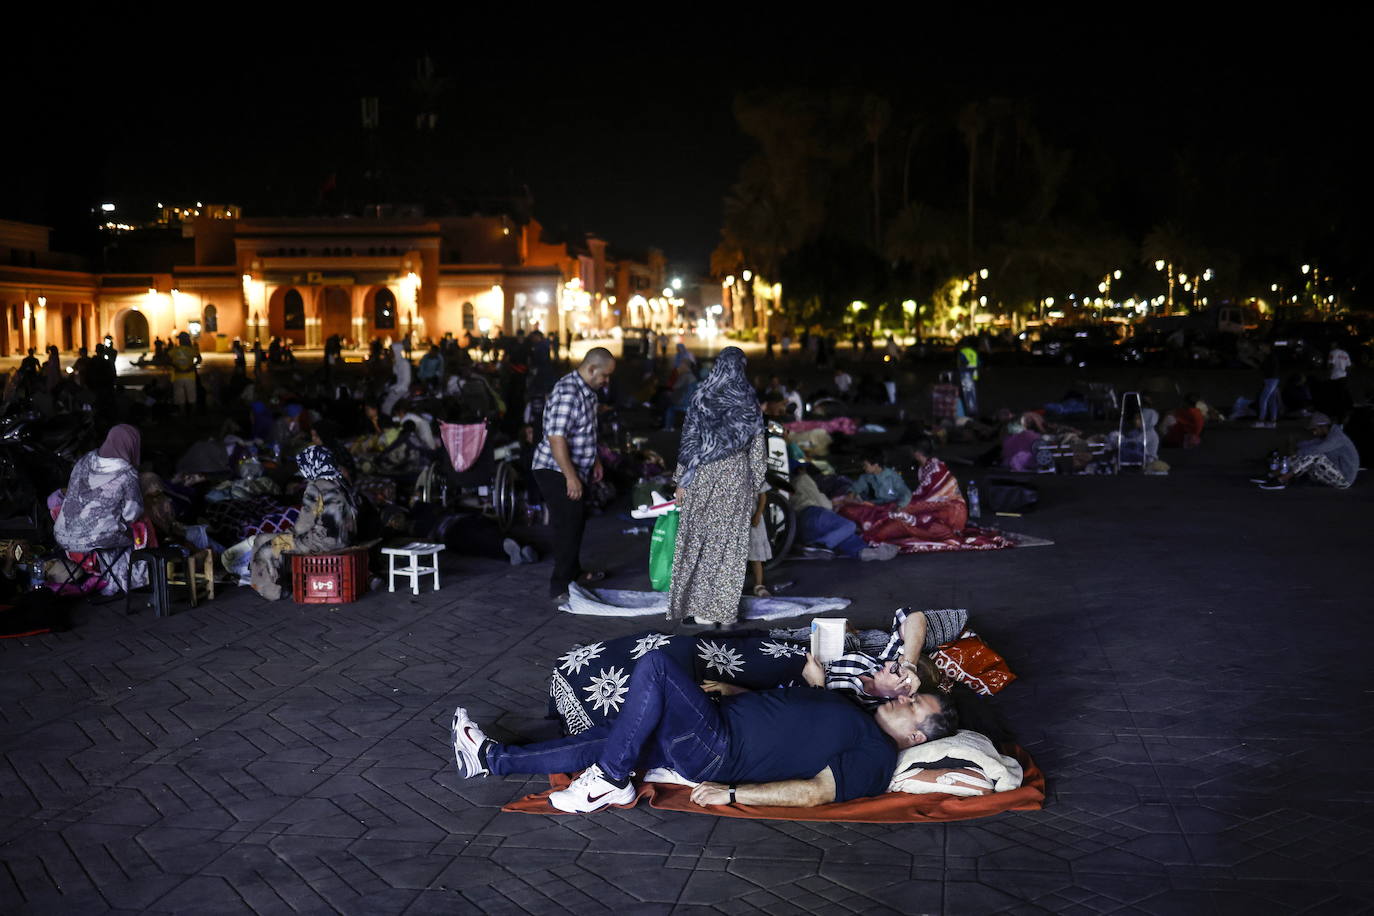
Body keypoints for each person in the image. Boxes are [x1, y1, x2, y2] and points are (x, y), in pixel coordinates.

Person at [449, 649, 958, 813]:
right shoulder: (854, 707)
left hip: (717, 751)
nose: (906, 697)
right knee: (615, 733)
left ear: (917, 736)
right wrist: (733, 694)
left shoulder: (875, 755)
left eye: (915, 705)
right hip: (717, 723)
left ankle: (608, 778)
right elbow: (783, 714)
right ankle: (491, 758)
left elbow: (814, 793)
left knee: (655, 668)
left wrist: (733, 793)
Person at [668, 346, 767, 626]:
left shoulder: (702, 395)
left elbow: (688, 442)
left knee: (697, 541)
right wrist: (756, 483)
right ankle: (722, 611)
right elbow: (758, 449)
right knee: (730, 546)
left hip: (701, 476)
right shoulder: (748, 400)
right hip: (736, 476)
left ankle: (695, 609)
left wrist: (680, 481)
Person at [532, 348, 616, 600]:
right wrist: (570, 477)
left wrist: (596, 460)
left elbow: (586, 431)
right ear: (591, 369)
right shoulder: (568, 393)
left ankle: (574, 572)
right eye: (605, 375)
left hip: (575, 466)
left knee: (576, 521)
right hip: (554, 468)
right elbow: (557, 439)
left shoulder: (587, 392)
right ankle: (559, 587)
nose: (606, 381)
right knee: (567, 524)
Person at [249, 446, 358, 600]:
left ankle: (273, 592)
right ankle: (268, 582)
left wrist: (285, 536)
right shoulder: (341, 482)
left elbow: (303, 526)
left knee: (267, 549)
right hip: (345, 539)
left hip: (323, 542)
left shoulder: (316, 486)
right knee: (261, 538)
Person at [53, 425, 149, 595]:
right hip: (94, 540)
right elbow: (132, 513)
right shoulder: (127, 474)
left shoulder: (85, 461)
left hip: (63, 536)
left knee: (109, 528)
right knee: (137, 530)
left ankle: (105, 577)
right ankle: (127, 581)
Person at [837, 437, 968, 545]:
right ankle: (875, 524)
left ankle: (874, 527)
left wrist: (900, 506)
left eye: (865, 465)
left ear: (916, 452)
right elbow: (923, 495)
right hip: (931, 508)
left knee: (896, 515)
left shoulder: (936, 467)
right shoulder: (924, 468)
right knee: (891, 512)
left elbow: (927, 495)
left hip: (950, 511)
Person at [1258, 413, 1359, 490]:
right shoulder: (1327, 435)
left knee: (1314, 455)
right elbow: (1310, 444)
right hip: (1335, 471)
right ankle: (1273, 474)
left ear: (1322, 426)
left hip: (1344, 479)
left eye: (1314, 429)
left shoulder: (1337, 437)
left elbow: (1317, 449)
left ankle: (1281, 480)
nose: (1313, 433)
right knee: (1307, 453)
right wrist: (1294, 445)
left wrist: (1296, 453)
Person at [167, 331, 201, 417]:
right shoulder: (192, 349)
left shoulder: (174, 350)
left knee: (180, 400)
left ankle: (183, 416)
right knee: (192, 398)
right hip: (190, 376)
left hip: (178, 376)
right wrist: (192, 366)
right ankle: (192, 417)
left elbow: (167, 359)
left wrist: (175, 367)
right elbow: (199, 359)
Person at [956, 338, 980, 417]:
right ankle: (974, 411)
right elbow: (978, 363)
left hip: (966, 376)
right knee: (973, 395)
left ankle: (967, 412)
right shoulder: (973, 352)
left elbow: (962, 364)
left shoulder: (962, 352)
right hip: (974, 375)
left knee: (965, 395)